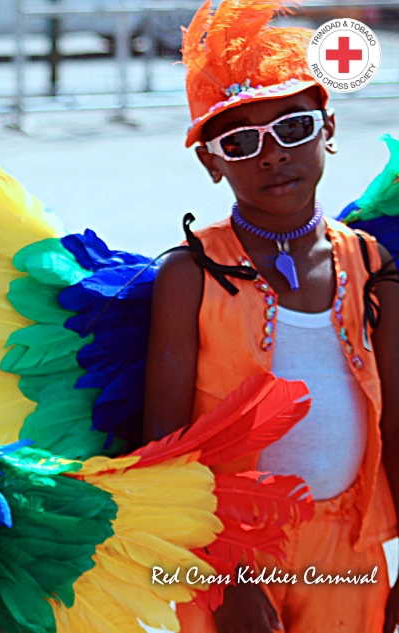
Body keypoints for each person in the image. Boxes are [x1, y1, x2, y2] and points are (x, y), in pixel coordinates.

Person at [142, 1, 399, 632]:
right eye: (241, 141)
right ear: (211, 162)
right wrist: (227, 578)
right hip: (227, 555)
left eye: (293, 127)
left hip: (349, 552)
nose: (273, 154)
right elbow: (164, 449)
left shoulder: (372, 266)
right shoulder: (189, 274)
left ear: (328, 129)